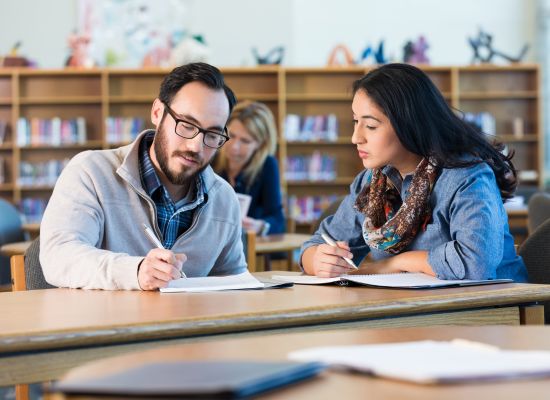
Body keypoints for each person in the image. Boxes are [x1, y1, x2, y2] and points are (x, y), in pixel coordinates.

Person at [301, 63, 527, 282]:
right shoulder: (372, 183)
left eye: (370, 126)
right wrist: (318, 259)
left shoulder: (466, 176)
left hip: (495, 308)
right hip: (415, 309)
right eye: (355, 122)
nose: (355, 137)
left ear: (408, 123)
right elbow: (317, 244)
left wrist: (395, 264)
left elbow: (476, 263)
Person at [40, 62, 247, 290]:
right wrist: (135, 271)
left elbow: (233, 282)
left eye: (213, 134)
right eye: (187, 125)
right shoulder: (90, 172)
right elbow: (58, 256)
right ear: (158, 113)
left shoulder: (223, 198)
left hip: (187, 324)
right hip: (107, 323)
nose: (196, 146)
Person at [214, 101, 285, 236]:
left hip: (249, 246)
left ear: (260, 144)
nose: (234, 146)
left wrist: (260, 226)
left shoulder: (267, 165)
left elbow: (277, 219)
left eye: (245, 141)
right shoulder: (212, 158)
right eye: (232, 136)